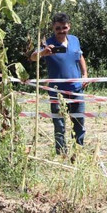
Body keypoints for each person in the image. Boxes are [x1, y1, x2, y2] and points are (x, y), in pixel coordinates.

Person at [29, 12, 88, 156]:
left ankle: (78, 152)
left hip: (76, 90)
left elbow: (80, 57)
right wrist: (43, 53)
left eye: (64, 27)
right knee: (59, 124)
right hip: (57, 91)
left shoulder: (75, 40)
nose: (61, 31)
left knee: (79, 123)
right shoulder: (47, 43)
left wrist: (85, 74)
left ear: (69, 26)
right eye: (58, 28)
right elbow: (32, 57)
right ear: (53, 28)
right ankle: (61, 154)